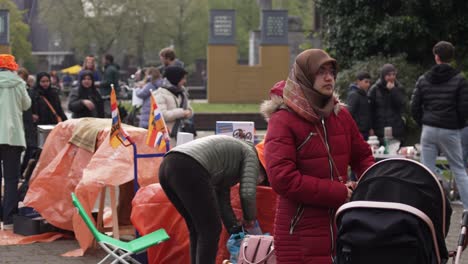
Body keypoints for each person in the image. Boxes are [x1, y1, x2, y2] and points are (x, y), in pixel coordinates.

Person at [264, 49, 375, 264]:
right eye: (320, 71)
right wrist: (339, 191)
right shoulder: (283, 119)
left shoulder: (340, 114)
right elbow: (282, 179)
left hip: (343, 227)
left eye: (331, 71)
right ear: (305, 75)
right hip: (300, 233)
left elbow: (362, 157)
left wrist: (369, 184)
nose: (328, 77)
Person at [159, 135, 259, 264]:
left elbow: (221, 197)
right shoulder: (250, 154)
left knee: (197, 228)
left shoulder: (228, 159)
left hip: (168, 164)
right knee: (210, 230)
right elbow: (247, 192)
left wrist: (234, 228)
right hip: (189, 165)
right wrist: (250, 218)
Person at [411, 41, 468, 208]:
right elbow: (464, 107)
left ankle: (428, 207)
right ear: (451, 57)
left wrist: (424, 121)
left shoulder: (423, 79)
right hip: (450, 129)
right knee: (458, 169)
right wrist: (457, 124)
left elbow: (414, 105)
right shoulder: (459, 80)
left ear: (436, 56)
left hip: (428, 128)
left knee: (427, 171)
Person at [0, 54, 31, 227]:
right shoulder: (18, 83)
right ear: (12, 67)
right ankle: (8, 218)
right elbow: (26, 105)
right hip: (12, 136)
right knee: (11, 179)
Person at [153, 66, 193, 147]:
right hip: (167, 136)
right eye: (183, 78)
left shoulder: (182, 92)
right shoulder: (160, 94)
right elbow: (161, 115)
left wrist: (189, 112)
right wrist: (182, 113)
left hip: (182, 133)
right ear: (176, 78)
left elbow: (188, 109)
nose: (184, 81)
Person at [368, 64, 406, 142]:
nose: (391, 77)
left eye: (393, 74)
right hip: (380, 130)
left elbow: (402, 105)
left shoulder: (399, 88)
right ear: (383, 76)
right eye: (388, 75)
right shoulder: (375, 89)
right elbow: (369, 110)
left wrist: (393, 91)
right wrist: (370, 127)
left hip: (396, 129)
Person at [17, 68, 38, 175]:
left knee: (30, 147)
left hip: (28, 122)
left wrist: (35, 114)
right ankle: (17, 172)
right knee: (16, 149)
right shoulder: (14, 91)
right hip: (18, 122)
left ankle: (22, 170)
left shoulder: (30, 92)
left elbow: (33, 105)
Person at [346, 71, 372, 140]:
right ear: (358, 81)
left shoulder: (365, 95)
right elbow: (349, 114)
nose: (368, 84)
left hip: (365, 132)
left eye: (369, 82)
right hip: (357, 132)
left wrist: (370, 128)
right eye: (366, 82)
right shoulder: (354, 95)